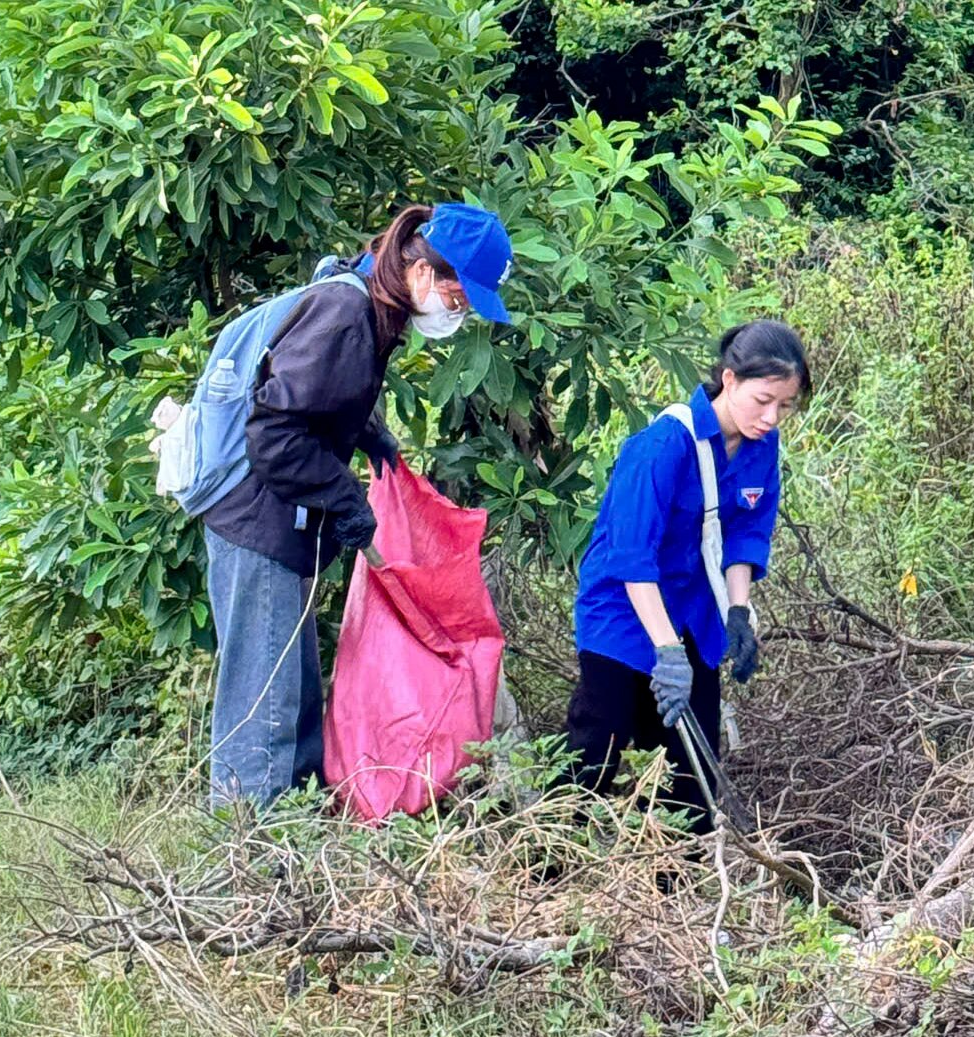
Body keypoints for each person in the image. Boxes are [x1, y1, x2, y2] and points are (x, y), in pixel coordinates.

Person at [203, 203, 513, 806]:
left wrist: (370, 435)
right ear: (424, 273)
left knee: (294, 700)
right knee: (264, 709)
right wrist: (347, 499)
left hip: (281, 526)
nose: (460, 313)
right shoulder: (347, 312)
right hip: (257, 523)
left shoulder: (369, 304)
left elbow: (317, 394)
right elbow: (275, 435)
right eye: (460, 299)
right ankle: (248, 874)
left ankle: (297, 856)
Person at [566, 320, 810, 832]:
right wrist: (665, 653)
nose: (771, 417)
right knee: (595, 753)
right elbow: (632, 558)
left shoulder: (760, 447)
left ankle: (676, 889)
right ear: (729, 379)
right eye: (763, 400)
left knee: (691, 779)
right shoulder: (661, 447)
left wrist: (738, 612)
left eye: (784, 406)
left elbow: (746, 532)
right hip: (623, 616)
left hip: (693, 614)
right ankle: (545, 869)